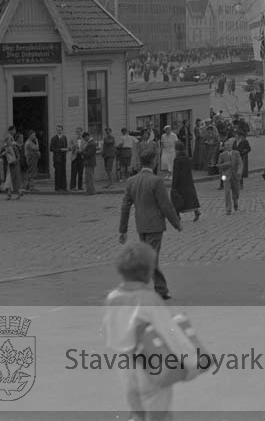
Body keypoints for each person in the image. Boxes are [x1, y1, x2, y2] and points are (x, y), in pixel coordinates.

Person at [102, 241, 177, 419]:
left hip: (125, 365)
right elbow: (168, 331)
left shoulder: (113, 298)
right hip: (152, 364)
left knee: (137, 407)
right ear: (150, 273)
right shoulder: (150, 299)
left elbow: (108, 330)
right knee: (159, 410)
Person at [118, 152, 182, 300]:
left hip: (141, 224)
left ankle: (157, 288)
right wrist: (176, 223)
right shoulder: (156, 181)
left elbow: (125, 206)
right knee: (151, 258)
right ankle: (157, 288)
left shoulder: (131, 181)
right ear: (153, 162)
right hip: (155, 225)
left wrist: (123, 229)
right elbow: (165, 206)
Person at [170, 141, 201, 222]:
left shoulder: (177, 159)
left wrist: (174, 185)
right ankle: (196, 211)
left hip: (180, 183)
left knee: (177, 199)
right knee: (190, 197)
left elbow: (176, 173)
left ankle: (177, 215)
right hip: (188, 181)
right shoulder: (186, 158)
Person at [219, 143, 243, 214]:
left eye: (229, 145)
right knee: (227, 192)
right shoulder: (222, 155)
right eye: (227, 145)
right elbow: (219, 165)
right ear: (225, 147)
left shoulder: (236, 153)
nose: (228, 146)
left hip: (235, 176)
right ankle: (228, 208)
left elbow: (240, 163)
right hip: (226, 176)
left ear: (232, 146)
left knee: (236, 192)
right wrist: (226, 164)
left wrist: (239, 171)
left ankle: (235, 202)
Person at [50, 125, 69, 191]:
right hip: (57, 158)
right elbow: (51, 148)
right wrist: (60, 150)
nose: (59, 131)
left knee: (63, 172)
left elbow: (66, 146)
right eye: (58, 130)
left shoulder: (64, 137)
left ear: (62, 130)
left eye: (60, 130)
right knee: (58, 173)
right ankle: (57, 187)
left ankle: (64, 187)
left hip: (63, 158)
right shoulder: (54, 138)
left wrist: (66, 149)